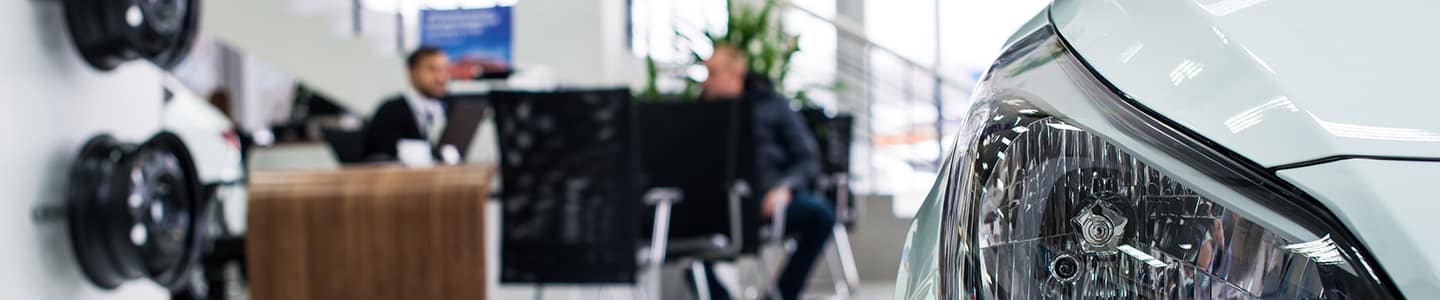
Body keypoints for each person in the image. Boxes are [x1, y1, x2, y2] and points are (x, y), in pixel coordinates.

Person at [697, 43, 836, 300]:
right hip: (718, 206)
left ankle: (781, 295)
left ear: (735, 72)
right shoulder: (699, 114)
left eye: (713, 73)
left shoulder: (773, 106)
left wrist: (784, 188)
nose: (707, 82)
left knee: (821, 215)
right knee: (678, 224)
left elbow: (808, 159)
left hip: (771, 199)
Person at [364, 46, 452, 160]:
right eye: (432, 70)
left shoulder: (452, 108)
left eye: (445, 70)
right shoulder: (390, 111)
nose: (441, 78)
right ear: (411, 71)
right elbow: (380, 158)